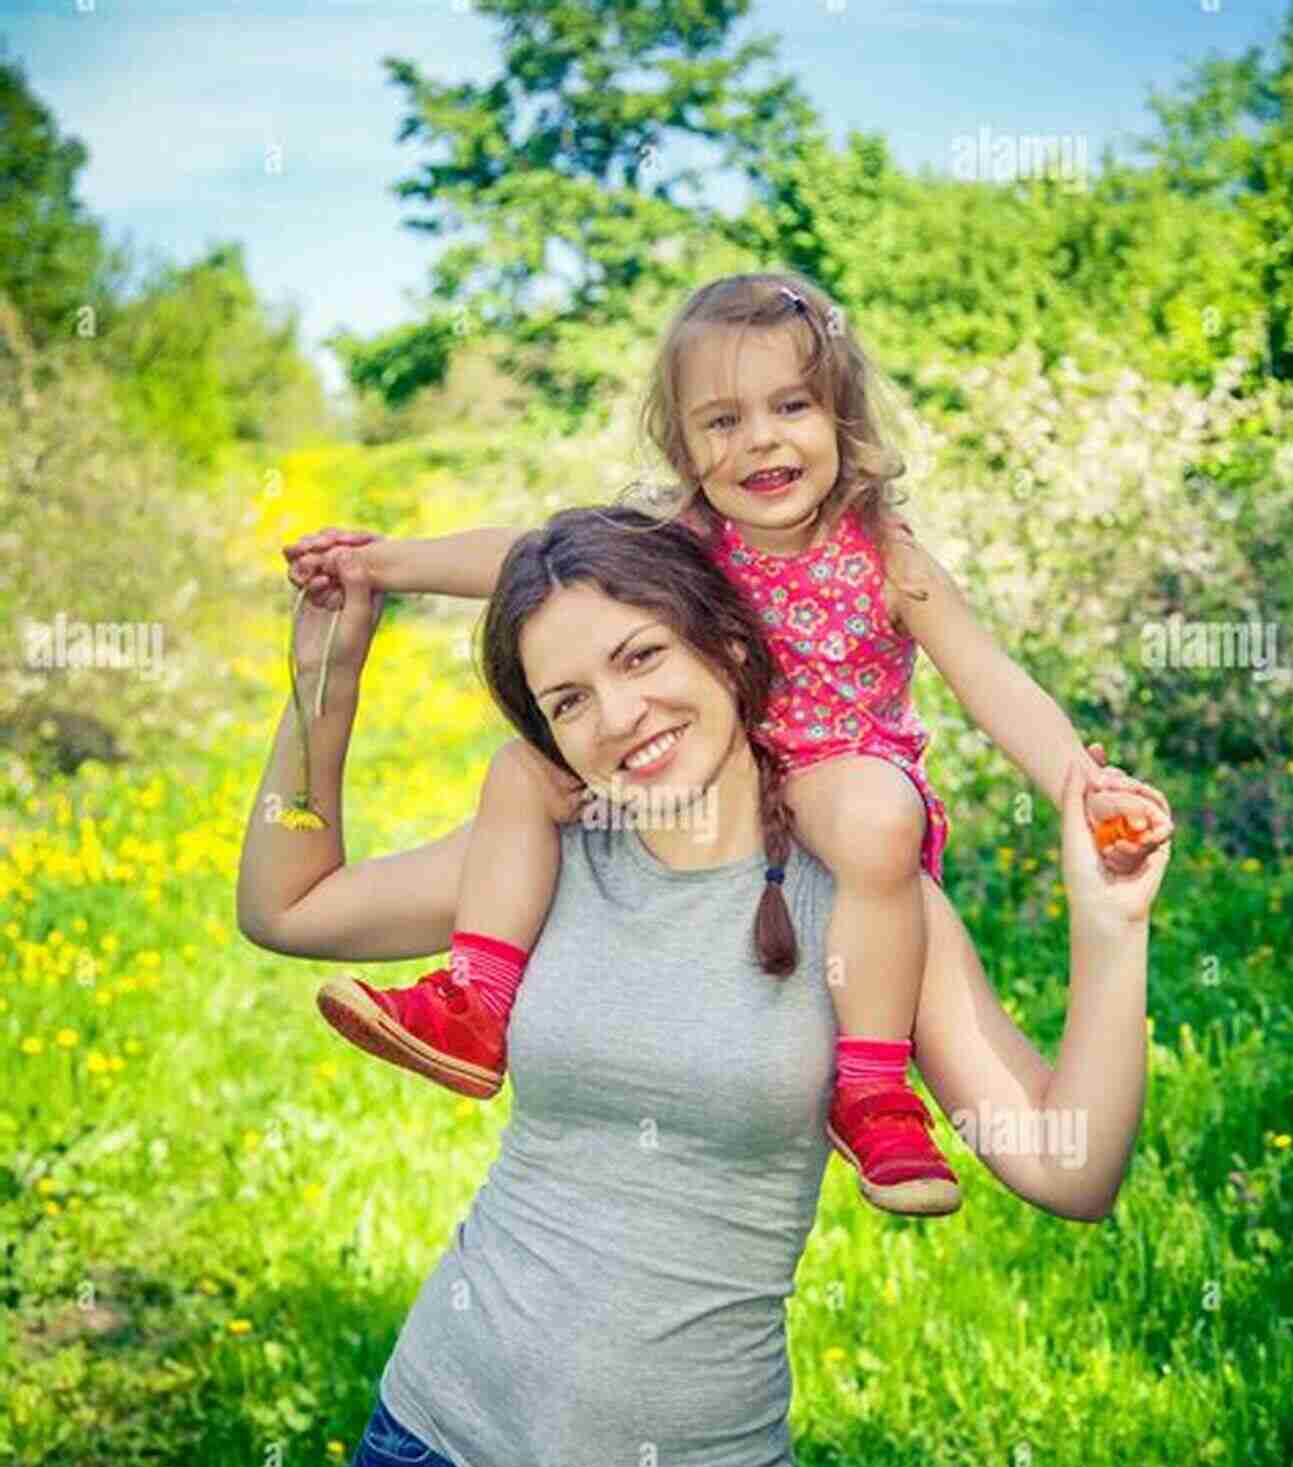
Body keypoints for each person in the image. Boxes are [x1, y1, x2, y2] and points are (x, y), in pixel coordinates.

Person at [237, 502, 1173, 1467]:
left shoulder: (866, 899)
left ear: (728, 644)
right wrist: (321, 685)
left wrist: (1111, 927)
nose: (619, 716)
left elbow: (1068, 1169)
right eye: (567, 700)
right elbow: (286, 905)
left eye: (641, 657)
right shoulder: (542, 853)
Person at [283, 272, 1165, 1221]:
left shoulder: (888, 555)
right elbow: (525, 554)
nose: (760, 440)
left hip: (837, 781)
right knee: (522, 771)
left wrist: (1080, 784)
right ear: (684, 447)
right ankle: (477, 1001)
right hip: (715, 781)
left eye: (792, 405)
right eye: (721, 421)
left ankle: (869, 1082)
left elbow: (991, 680)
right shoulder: (685, 539)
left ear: (842, 416)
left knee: (875, 812)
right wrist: (384, 565)